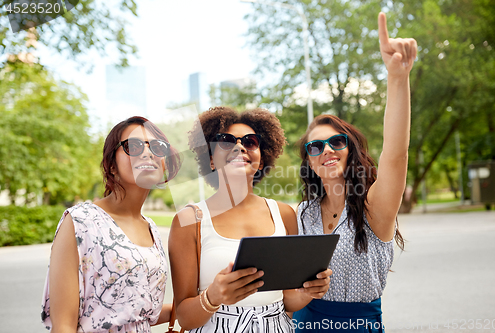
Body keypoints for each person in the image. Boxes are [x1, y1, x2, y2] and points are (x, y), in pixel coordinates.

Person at [292, 13, 417, 332]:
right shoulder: (302, 215)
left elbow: (395, 154)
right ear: (309, 162)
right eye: (315, 147)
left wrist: (397, 79)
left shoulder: (374, 207)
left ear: (352, 150)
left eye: (336, 141)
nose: (326, 150)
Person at [168, 107, 333, 332]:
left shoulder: (284, 214)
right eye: (226, 141)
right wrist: (213, 297)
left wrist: (308, 292)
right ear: (211, 161)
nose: (239, 147)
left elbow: (287, 302)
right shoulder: (189, 220)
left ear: (262, 160)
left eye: (250, 141)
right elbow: (185, 319)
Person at [41, 116, 182, 332]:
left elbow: (139, 312)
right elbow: (64, 326)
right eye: (133, 146)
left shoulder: (151, 227)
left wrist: (206, 302)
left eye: (157, 146)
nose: (148, 152)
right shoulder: (80, 221)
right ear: (111, 166)